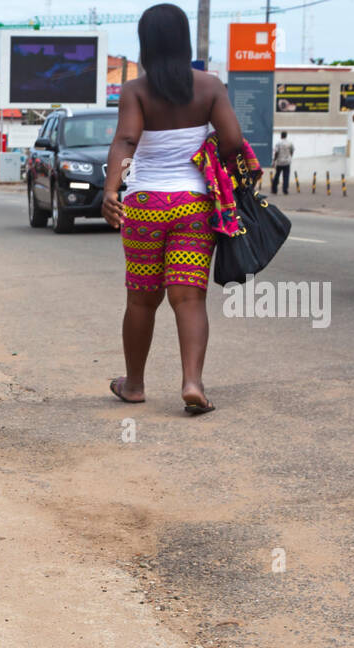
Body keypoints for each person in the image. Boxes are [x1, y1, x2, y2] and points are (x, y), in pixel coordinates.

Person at [102, 3, 244, 415]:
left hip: (144, 206)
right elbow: (233, 140)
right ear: (183, 42)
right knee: (189, 299)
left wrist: (112, 189)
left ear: (146, 44)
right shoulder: (210, 86)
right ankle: (192, 382)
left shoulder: (136, 91)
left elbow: (126, 142)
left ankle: (134, 385)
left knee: (142, 300)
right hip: (193, 206)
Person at [271, 130, 293, 195]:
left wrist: (274, 160)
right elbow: (292, 151)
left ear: (281, 136)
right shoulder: (290, 143)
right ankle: (285, 190)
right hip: (287, 162)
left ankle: (274, 190)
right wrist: (290, 156)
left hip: (279, 162)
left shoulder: (278, 143)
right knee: (286, 176)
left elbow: (276, 152)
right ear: (286, 136)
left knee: (277, 176)